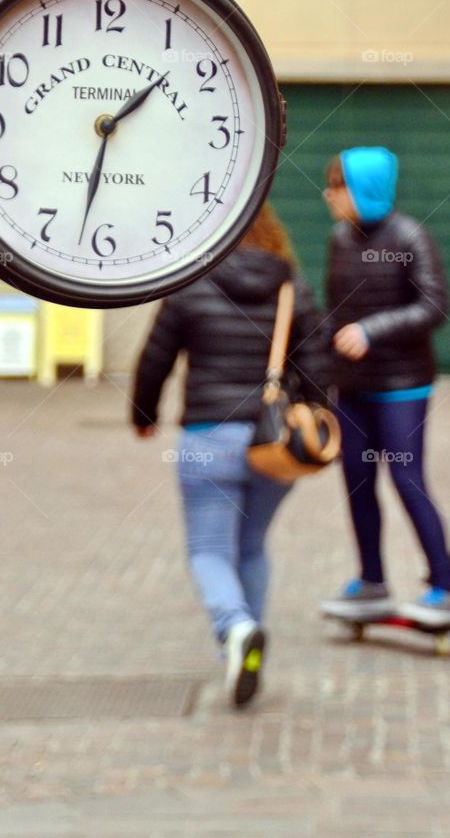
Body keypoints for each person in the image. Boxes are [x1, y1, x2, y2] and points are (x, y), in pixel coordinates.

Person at [130, 205, 330, 708]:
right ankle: (245, 646)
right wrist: (314, 416)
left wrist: (144, 412)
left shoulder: (190, 281)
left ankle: (236, 630)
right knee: (253, 546)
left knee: (209, 549)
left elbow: (156, 356)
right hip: (273, 445)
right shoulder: (290, 286)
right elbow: (319, 365)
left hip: (207, 437)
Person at [320, 146, 450, 626]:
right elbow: (336, 315)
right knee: (357, 481)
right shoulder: (339, 239)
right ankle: (371, 582)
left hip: (403, 385)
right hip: (353, 388)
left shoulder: (411, 237)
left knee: (407, 480)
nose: (328, 195)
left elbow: (435, 307)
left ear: (363, 189)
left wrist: (373, 331)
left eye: (337, 186)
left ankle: (444, 585)